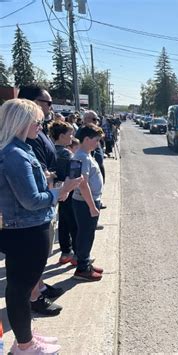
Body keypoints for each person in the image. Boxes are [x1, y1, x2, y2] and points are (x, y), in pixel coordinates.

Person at [0, 99, 82, 354]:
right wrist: (61, 190)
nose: (41, 125)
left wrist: (46, 182)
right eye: (37, 121)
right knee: (21, 291)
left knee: (23, 288)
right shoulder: (14, 154)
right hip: (26, 231)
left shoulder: (20, 149)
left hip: (28, 228)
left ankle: (26, 337)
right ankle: (25, 346)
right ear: (21, 121)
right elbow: (31, 200)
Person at [17, 85, 64, 316]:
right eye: (47, 103)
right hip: (38, 201)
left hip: (46, 195)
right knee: (36, 253)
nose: (50, 108)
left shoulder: (37, 130)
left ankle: (40, 286)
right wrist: (50, 181)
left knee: (43, 249)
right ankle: (35, 296)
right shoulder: (22, 139)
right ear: (31, 102)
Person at [72, 123, 105, 281]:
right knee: (85, 235)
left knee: (87, 234)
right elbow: (82, 183)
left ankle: (85, 262)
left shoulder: (85, 154)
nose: (97, 143)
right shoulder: (82, 157)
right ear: (86, 139)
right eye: (96, 140)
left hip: (87, 201)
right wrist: (92, 206)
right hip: (85, 203)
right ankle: (82, 268)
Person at [49, 121, 78, 265]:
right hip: (69, 191)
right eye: (70, 134)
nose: (72, 137)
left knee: (63, 222)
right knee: (74, 223)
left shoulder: (48, 150)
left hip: (55, 189)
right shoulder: (67, 153)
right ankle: (77, 255)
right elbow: (74, 174)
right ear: (61, 136)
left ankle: (65, 252)